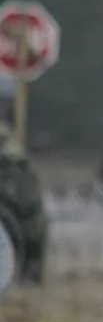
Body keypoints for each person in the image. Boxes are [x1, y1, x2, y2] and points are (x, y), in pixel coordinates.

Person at [0, 120, 47, 285]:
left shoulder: (11, 165)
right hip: (29, 222)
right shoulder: (19, 162)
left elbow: (15, 198)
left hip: (24, 222)